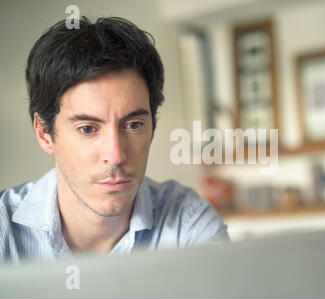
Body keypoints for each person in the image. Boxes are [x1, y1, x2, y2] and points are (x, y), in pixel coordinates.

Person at [0, 16, 229, 264]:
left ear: (152, 127)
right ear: (45, 133)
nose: (116, 154)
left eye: (133, 125)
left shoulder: (190, 224)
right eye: (87, 128)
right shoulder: (5, 230)